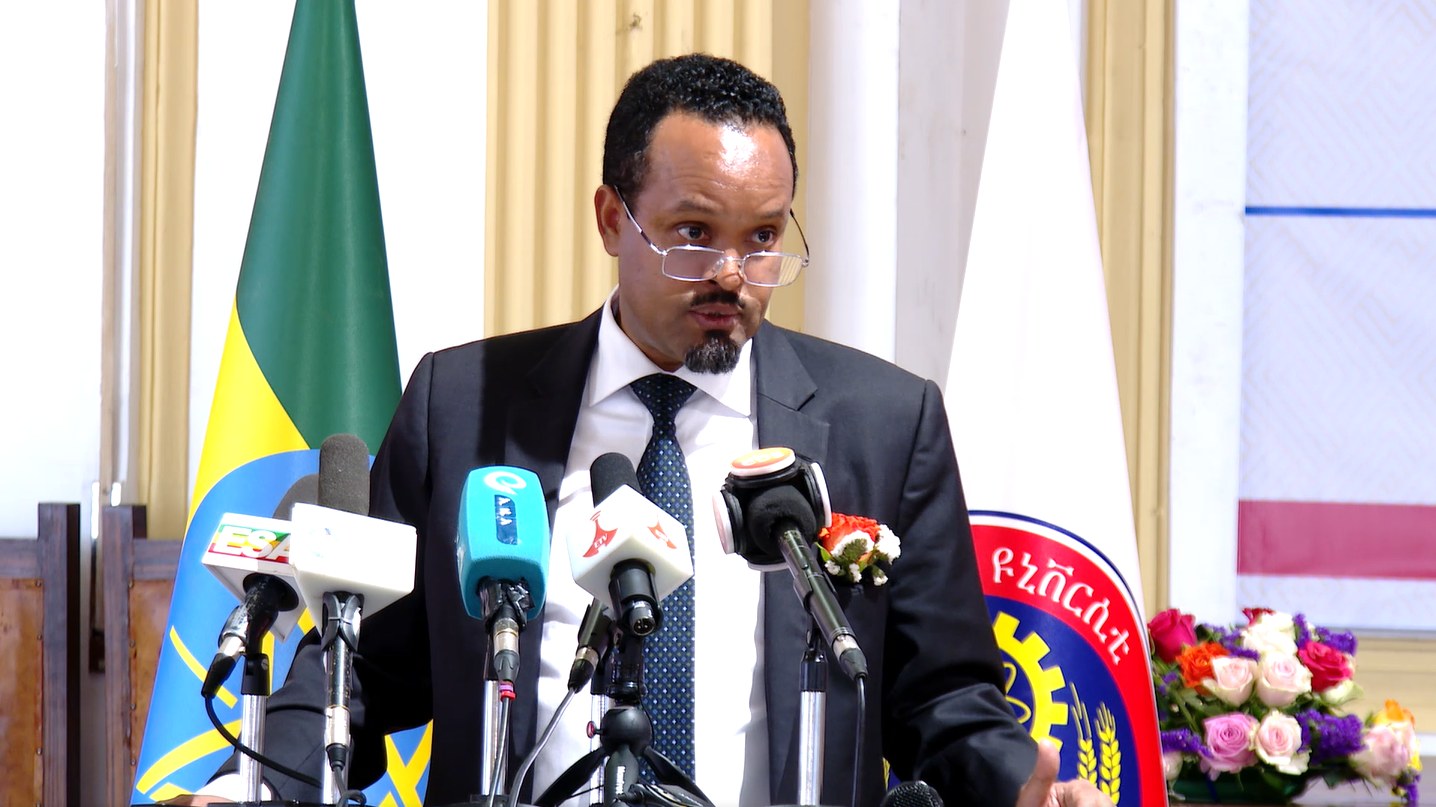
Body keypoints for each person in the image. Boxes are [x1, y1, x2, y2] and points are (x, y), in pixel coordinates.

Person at [183, 53, 1113, 807]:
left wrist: (1015, 783)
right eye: (693, 233)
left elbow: (941, 696)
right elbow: (360, 666)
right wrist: (246, 784)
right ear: (610, 219)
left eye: (763, 238)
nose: (732, 274)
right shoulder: (462, 404)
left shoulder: (883, 422)